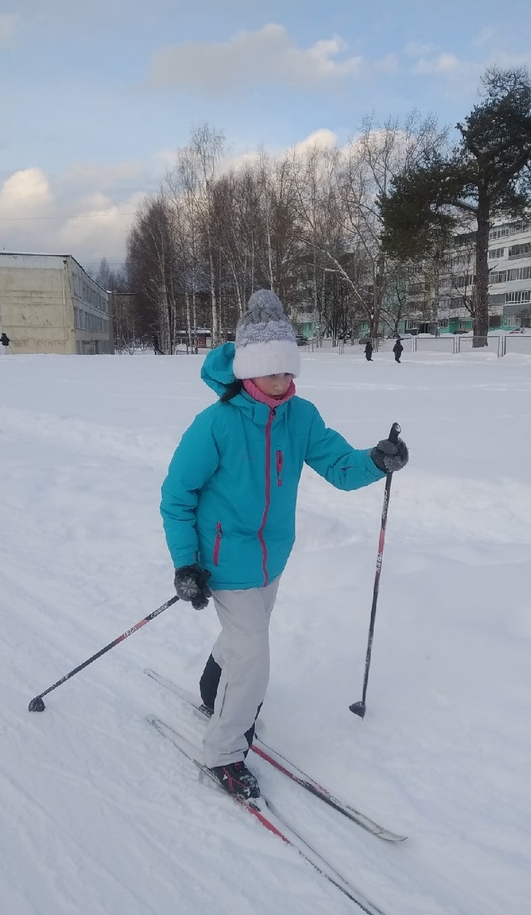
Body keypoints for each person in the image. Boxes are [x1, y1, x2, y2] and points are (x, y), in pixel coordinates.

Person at [160, 289, 408, 799]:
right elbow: (176, 498)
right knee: (254, 656)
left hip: (272, 556)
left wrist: (376, 461)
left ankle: (212, 688)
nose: (283, 381)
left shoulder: (301, 416)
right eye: (272, 371)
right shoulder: (216, 424)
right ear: (250, 371)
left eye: (288, 370)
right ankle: (225, 752)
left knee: (245, 639)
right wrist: (186, 564)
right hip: (221, 560)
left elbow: (339, 467)